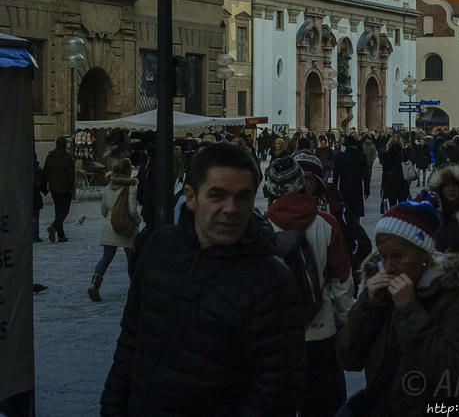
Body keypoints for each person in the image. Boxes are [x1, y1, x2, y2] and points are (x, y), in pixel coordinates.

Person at [101, 144, 305, 417]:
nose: (230, 209)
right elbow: (130, 344)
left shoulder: (272, 282)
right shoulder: (159, 249)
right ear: (191, 197)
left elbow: (275, 393)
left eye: (243, 197)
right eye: (217, 196)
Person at [337, 195, 459, 416]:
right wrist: (368, 306)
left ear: (424, 254)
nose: (389, 266)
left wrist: (410, 310)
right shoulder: (380, 289)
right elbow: (348, 358)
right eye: (383, 256)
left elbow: (453, 371)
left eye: (399, 256)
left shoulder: (456, 293)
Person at [265, 156, 354, 417]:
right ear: (301, 185)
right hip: (321, 330)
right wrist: (345, 317)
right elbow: (342, 279)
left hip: (277, 333)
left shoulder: (261, 226)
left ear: (270, 188)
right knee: (325, 403)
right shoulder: (327, 223)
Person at [88, 158, 141, 302]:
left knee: (106, 257)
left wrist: (110, 216)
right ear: (128, 171)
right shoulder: (131, 186)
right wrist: (138, 220)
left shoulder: (108, 186)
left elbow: (103, 209)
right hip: (126, 225)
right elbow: (132, 209)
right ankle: (134, 288)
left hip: (110, 224)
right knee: (131, 258)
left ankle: (95, 284)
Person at [41, 137, 75, 243]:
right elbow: (70, 174)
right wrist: (72, 187)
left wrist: (44, 186)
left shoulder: (50, 156)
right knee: (64, 211)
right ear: (65, 145)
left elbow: (45, 172)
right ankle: (54, 227)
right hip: (65, 188)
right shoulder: (67, 157)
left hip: (54, 188)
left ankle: (61, 235)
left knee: (58, 210)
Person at [333, 136, 370, 219]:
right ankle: (356, 228)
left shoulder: (340, 157)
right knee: (356, 212)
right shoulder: (361, 156)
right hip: (357, 187)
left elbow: (336, 175)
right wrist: (367, 190)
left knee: (346, 210)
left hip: (344, 187)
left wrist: (334, 189)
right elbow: (366, 175)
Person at [380, 134, 410, 209]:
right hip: (402, 179)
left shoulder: (386, 154)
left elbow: (385, 170)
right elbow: (409, 163)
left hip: (391, 180)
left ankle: (393, 218)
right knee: (402, 203)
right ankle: (401, 218)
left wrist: (383, 184)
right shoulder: (403, 152)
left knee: (392, 203)